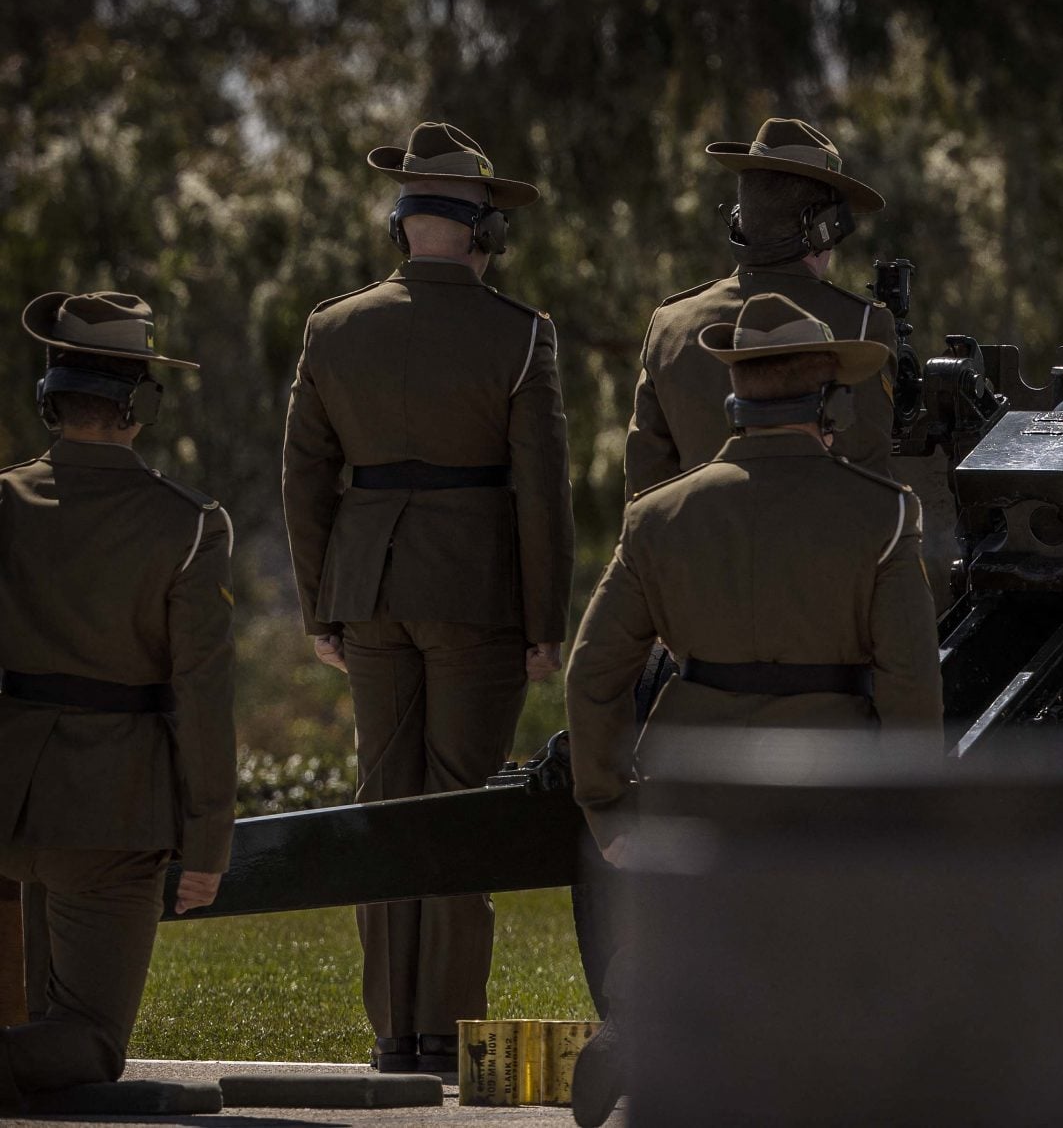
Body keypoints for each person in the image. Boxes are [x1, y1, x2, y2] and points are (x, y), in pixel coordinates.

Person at [563, 290, 944, 1125]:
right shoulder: (882, 515)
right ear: (830, 403)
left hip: (687, 773)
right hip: (828, 776)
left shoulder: (658, 515)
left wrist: (605, 802)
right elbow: (912, 681)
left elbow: (594, 672)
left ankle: (646, 1027)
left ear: (736, 400)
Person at [279, 121, 575, 1076]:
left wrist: (321, 603)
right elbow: (544, 494)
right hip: (474, 595)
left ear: (400, 221)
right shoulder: (521, 334)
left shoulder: (332, 325)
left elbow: (303, 478)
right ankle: (446, 1030)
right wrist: (546, 625)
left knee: (382, 800)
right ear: (482, 227)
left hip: (366, 591)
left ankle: (392, 1029)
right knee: (456, 807)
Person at [0, 293, 233, 1110]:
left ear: (48, 396)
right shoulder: (188, 524)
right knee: (89, 1039)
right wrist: (208, 839)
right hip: (112, 812)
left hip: (12, 801)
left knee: (35, 1035)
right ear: (141, 404)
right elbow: (201, 696)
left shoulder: (5, 501)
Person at [623, 117, 895, 496]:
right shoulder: (864, 326)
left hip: (696, 554)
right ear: (825, 227)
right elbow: (872, 494)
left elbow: (643, 494)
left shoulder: (669, 326)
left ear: (740, 217)